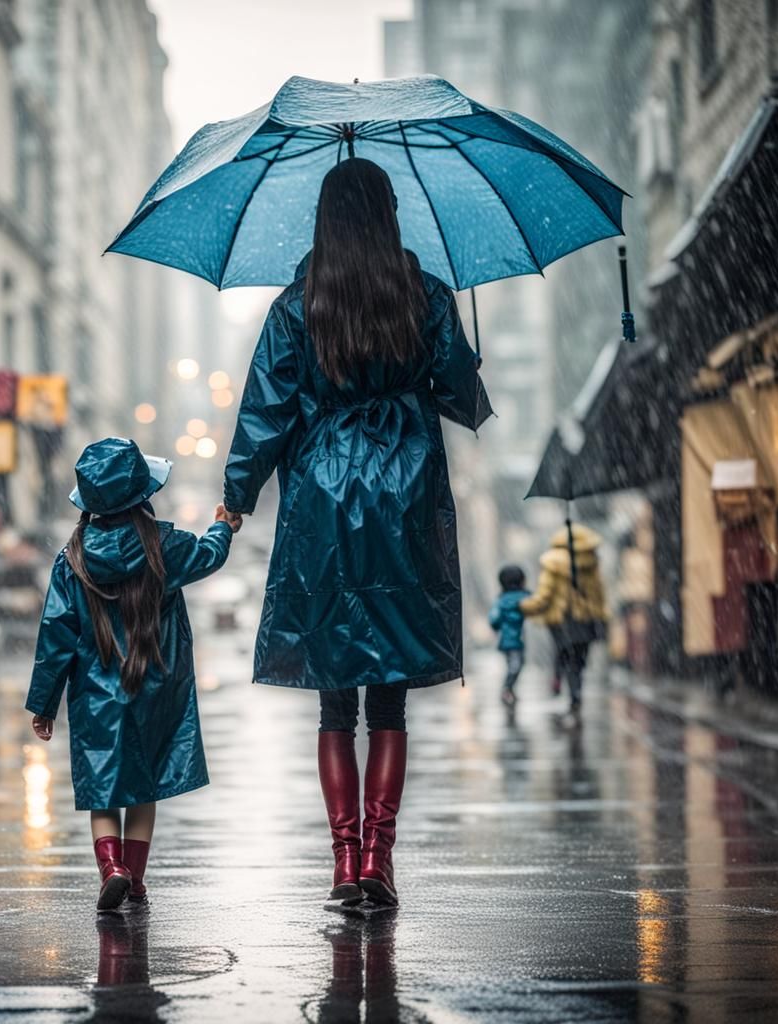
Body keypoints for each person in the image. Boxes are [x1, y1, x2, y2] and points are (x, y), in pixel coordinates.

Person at [221, 158, 491, 906]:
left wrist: (235, 497)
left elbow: (265, 411)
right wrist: (465, 359)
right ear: (389, 215)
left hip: (324, 509)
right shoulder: (425, 295)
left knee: (335, 701)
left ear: (324, 219)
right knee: (390, 700)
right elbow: (463, 400)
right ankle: (379, 859)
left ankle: (344, 862)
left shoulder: (296, 305)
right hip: (405, 507)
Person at [26, 437, 239, 913]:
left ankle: (112, 870)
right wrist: (223, 526)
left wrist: (43, 703)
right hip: (153, 688)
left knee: (102, 791)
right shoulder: (163, 546)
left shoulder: (71, 560)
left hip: (94, 697)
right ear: (143, 493)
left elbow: (55, 636)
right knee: (145, 787)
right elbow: (208, 555)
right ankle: (136, 880)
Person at [519, 524, 608, 726]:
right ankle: (576, 692)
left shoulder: (552, 562)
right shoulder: (591, 562)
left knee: (564, 654)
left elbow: (545, 594)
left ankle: (564, 683)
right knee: (579, 659)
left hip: (561, 620)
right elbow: (599, 594)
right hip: (585, 619)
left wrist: (524, 607)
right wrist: (600, 617)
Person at [488, 565, 530, 706]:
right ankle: (506, 689)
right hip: (517, 640)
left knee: (514, 665)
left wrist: (501, 625)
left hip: (507, 640)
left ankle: (509, 689)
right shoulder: (526, 596)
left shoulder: (501, 600)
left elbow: (493, 620)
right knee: (516, 665)